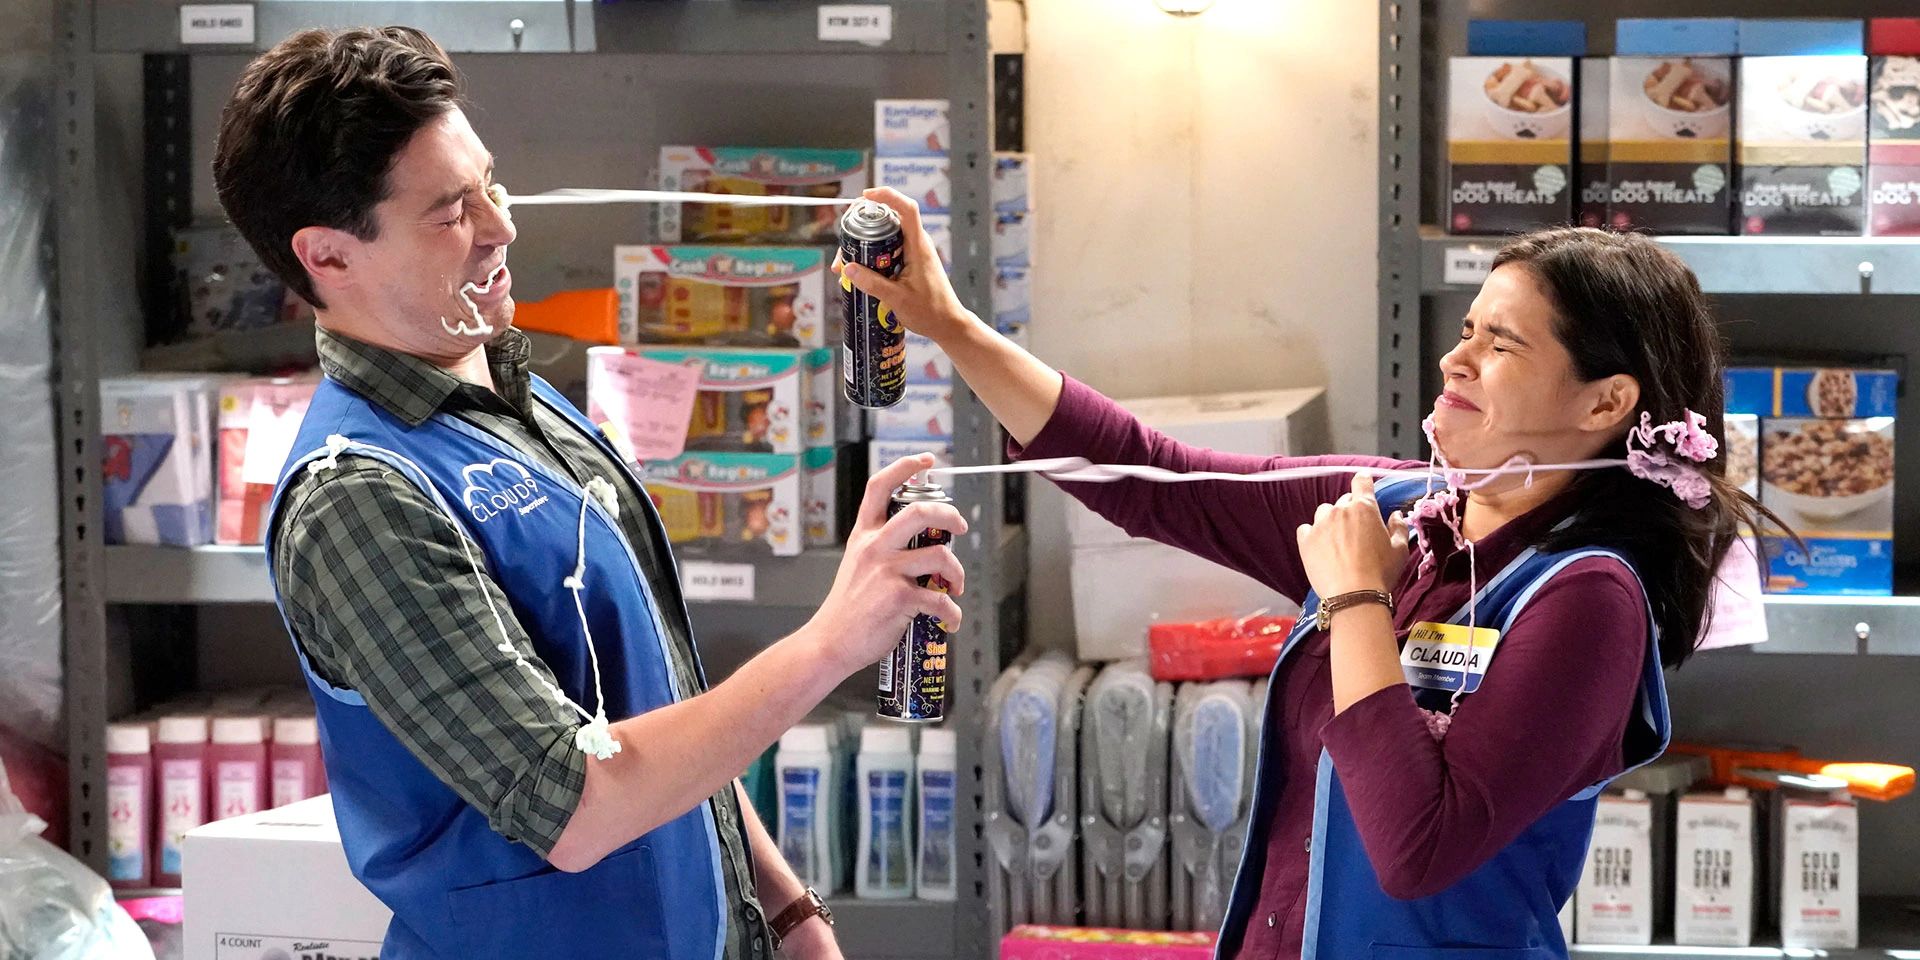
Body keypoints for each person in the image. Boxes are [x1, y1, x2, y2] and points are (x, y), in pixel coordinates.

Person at [841, 190, 1781, 958]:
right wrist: (951, 326)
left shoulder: (1587, 599)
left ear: (1605, 403)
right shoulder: (1395, 508)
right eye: (1467, 328)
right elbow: (1147, 476)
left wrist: (1357, 601)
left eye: (1503, 343)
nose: (1456, 358)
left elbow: (1420, 846)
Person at [214, 28, 966, 960]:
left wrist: (783, 909)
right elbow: (575, 801)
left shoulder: (521, 398)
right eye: (451, 212)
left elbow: (653, 700)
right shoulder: (359, 503)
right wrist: (832, 642)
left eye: (490, 183)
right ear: (327, 255)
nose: (500, 226)